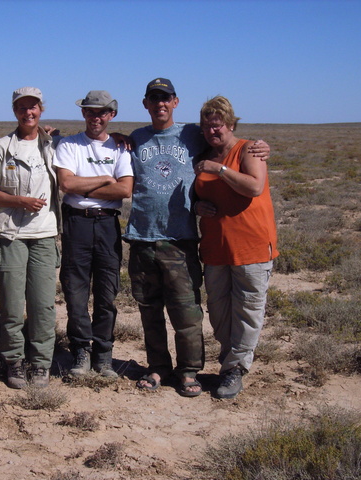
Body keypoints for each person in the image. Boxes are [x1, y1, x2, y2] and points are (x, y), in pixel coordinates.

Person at [124, 78, 269, 397]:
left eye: (166, 98)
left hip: (180, 240)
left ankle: (189, 371)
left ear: (175, 102)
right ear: (145, 103)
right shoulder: (135, 138)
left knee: (187, 310)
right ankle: (158, 367)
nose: (160, 103)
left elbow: (226, 142)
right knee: (149, 310)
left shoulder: (193, 134)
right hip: (142, 238)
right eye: (154, 98)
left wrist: (260, 145)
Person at [193, 96, 278, 399]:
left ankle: (235, 369)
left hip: (251, 246)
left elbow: (254, 186)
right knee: (219, 312)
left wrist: (220, 170)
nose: (212, 132)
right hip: (216, 248)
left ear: (231, 124)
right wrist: (198, 204)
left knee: (247, 312)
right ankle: (231, 361)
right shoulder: (203, 155)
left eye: (217, 127)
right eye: (206, 127)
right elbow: (197, 193)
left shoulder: (248, 150)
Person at [53, 90, 133, 378]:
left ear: (111, 115)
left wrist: (82, 184)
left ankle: (103, 353)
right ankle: (80, 351)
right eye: (89, 111)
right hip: (77, 224)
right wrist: (104, 179)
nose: (95, 117)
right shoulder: (69, 145)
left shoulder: (120, 148)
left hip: (108, 224)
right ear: (83, 113)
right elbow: (66, 183)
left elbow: (124, 190)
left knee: (106, 292)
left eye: (101, 112)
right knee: (75, 292)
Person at [0, 87, 61, 389]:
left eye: (33, 107)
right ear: (14, 110)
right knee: (13, 306)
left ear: (41, 109)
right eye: (22, 108)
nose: (28, 113)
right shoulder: (0, 147)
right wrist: (21, 201)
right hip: (9, 234)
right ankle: (14, 361)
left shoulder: (54, 146)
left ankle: (41, 363)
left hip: (44, 234)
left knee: (43, 305)